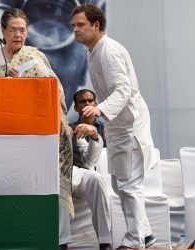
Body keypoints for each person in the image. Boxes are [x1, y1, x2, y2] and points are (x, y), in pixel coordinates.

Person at [71, 4, 159, 249]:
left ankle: (133, 242)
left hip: (129, 125)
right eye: (74, 25)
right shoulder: (93, 51)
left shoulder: (108, 51)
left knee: (129, 185)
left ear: (96, 26)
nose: (75, 30)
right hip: (117, 125)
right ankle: (147, 235)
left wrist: (99, 109)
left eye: (80, 25)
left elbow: (123, 90)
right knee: (121, 185)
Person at [0, 7, 74, 234]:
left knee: (46, 182)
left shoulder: (33, 56)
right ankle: (17, 232)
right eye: (12, 30)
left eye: (22, 30)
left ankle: (58, 239)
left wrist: (23, 84)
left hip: (39, 129)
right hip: (7, 129)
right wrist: (11, 85)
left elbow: (56, 90)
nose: (18, 35)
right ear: (3, 31)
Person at [59, 90, 112, 250]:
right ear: (75, 107)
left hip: (94, 175)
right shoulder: (70, 128)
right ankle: (62, 243)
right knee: (60, 179)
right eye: (83, 102)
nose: (87, 105)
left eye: (90, 101)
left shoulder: (107, 129)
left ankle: (105, 242)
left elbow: (89, 162)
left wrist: (95, 136)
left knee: (95, 178)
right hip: (65, 173)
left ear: (96, 104)